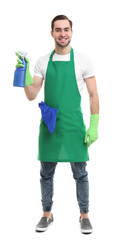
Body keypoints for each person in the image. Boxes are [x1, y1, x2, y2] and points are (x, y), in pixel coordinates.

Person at [15, 15, 99, 234]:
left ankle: (84, 215)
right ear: (51, 33)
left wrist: (94, 124)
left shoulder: (83, 60)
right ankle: (47, 214)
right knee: (45, 173)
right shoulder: (43, 61)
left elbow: (93, 95)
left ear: (72, 32)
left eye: (66, 29)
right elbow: (32, 94)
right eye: (58, 30)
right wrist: (23, 75)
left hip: (74, 125)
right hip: (50, 126)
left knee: (80, 173)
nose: (63, 33)